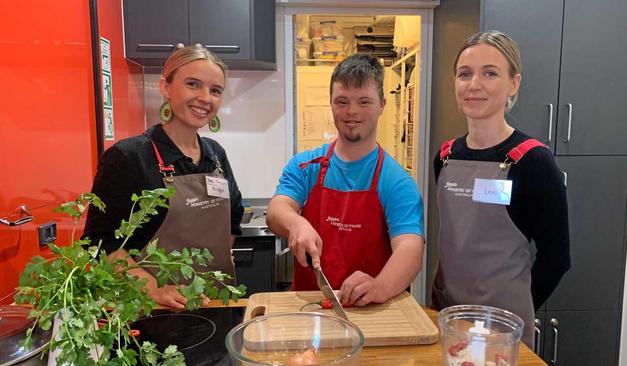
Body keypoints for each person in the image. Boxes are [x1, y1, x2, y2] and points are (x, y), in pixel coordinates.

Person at [431, 31, 570, 347]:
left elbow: (557, 257)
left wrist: (516, 306)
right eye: (465, 74)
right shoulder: (445, 157)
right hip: (449, 317)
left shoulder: (534, 163)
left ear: (513, 84)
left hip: (503, 331)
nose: (474, 84)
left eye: (490, 73)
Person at [83, 45, 243, 309]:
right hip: (150, 310)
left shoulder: (215, 155)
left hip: (211, 300)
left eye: (215, 90)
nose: (205, 97)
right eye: (193, 84)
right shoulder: (129, 156)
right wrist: (153, 289)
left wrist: (218, 257)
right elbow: (100, 243)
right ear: (165, 87)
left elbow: (233, 217)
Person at [266, 54, 424, 306]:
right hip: (310, 307)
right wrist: (295, 223)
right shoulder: (305, 165)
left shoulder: (396, 181)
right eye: (342, 101)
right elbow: (277, 210)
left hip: (370, 310)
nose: (352, 112)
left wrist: (380, 286)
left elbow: (410, 247)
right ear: (331, 104)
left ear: (382, 104)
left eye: (364, 101)